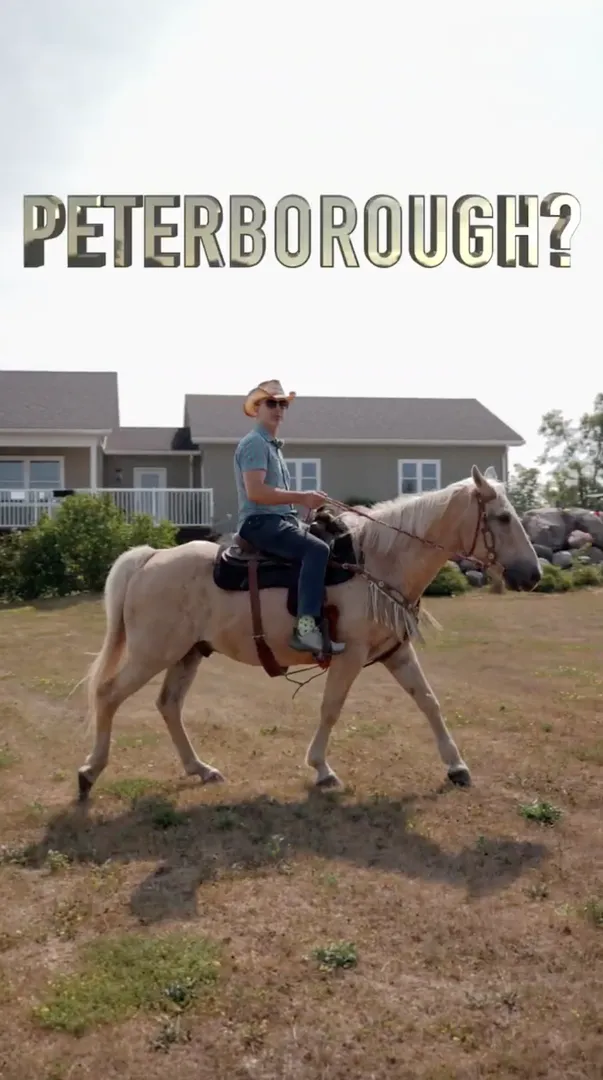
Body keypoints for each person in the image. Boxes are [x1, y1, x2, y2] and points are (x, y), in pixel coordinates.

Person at [234, 379, 345, 657]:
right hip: (259, 523)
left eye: (282, 404)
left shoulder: (272, 447)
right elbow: (256, 492)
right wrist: (302, 497)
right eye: (271, 403)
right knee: (316, 550)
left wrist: (303, 508)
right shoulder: (255, 444)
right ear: (257, 408)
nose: (278, 409)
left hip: (279, 521)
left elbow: (276, 495)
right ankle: (305, 629)